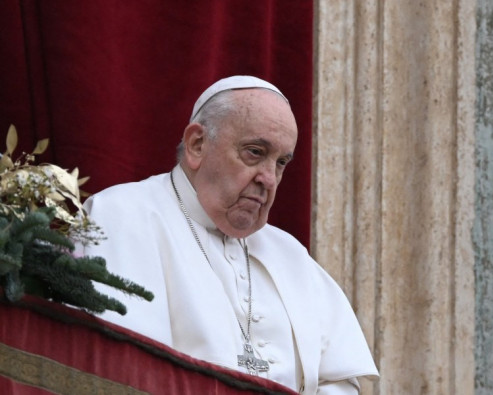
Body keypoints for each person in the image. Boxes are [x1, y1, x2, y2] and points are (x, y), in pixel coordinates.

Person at [80, 76, 378, 394]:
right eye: (254, 152)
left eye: (280, 163)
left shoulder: (289, 254)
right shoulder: (123, 216)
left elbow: (340, 380)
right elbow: (125, 371)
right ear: (197, 144)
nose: (269, 179)